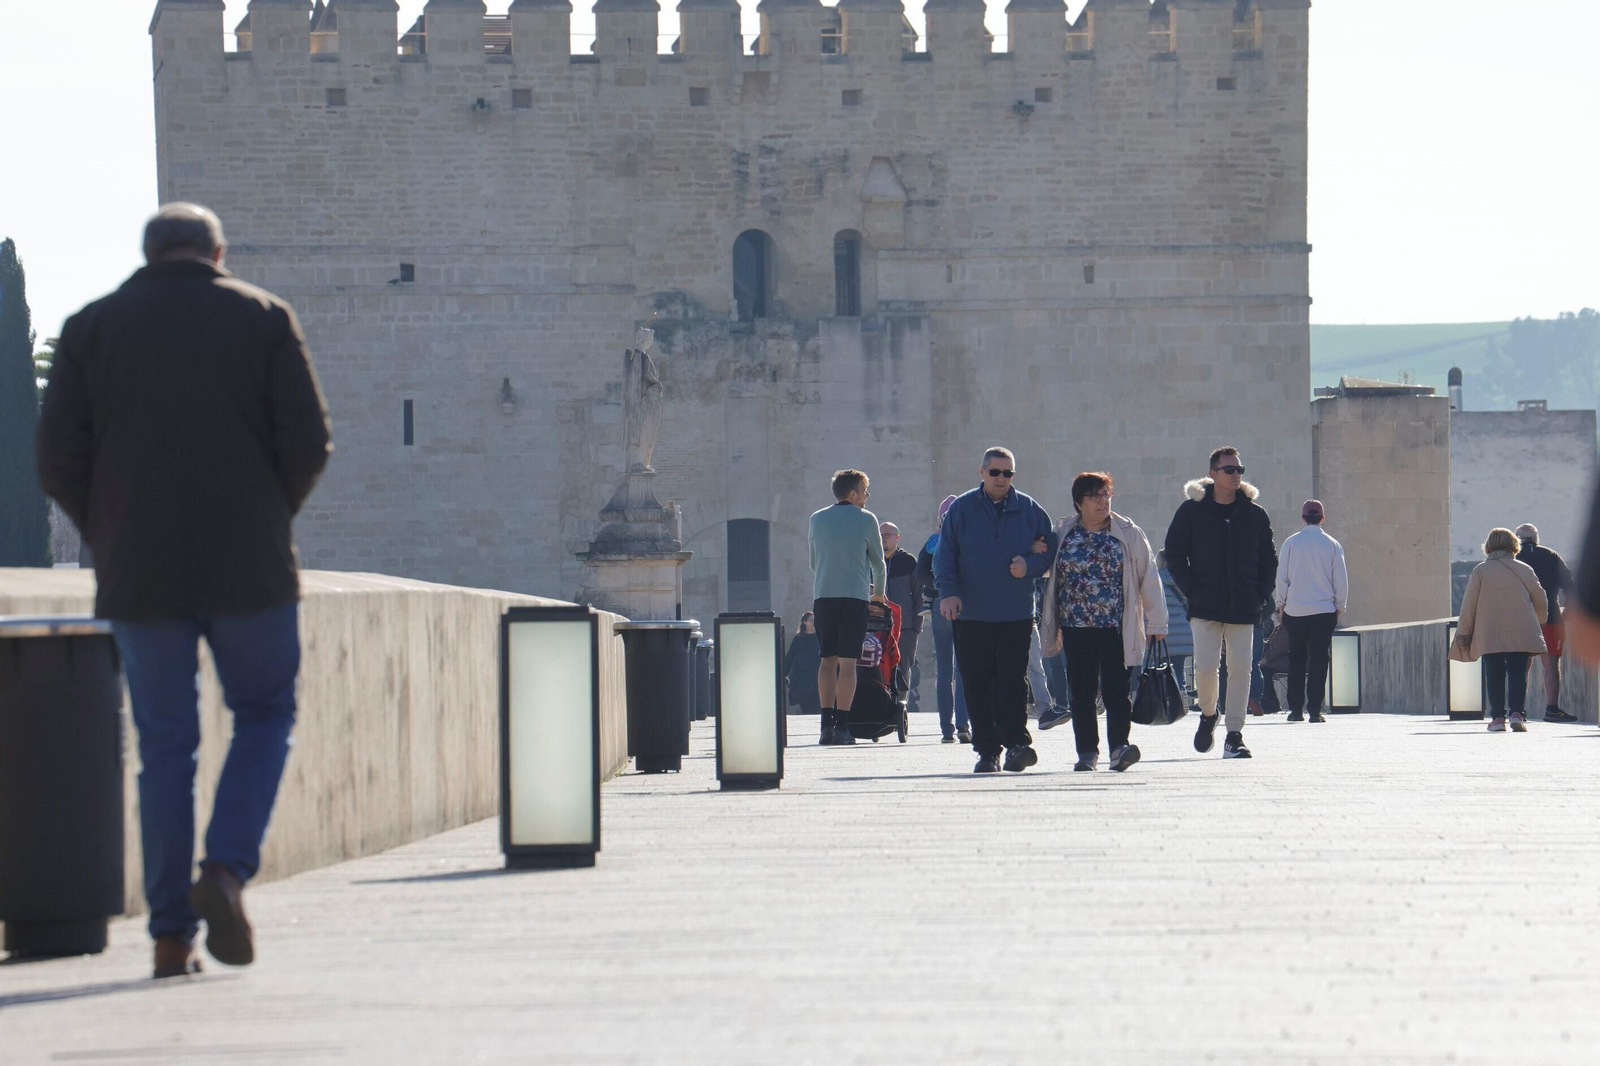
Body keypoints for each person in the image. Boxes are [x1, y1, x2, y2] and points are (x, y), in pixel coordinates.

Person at [35, 203, 333, 980]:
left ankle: (171, 937)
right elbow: (310, 442)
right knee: (266, 714)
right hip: (252, 570)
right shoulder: (264, 317)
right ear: (217, 252)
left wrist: (108, 532)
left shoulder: (90, 327)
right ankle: (226, 870)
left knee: (164, 748)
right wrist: (269, 516)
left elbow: (57, 460)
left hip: (139, 573)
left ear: (148, 253)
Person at [934, 447, 1058, 773]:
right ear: (982, 472)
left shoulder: (1030, 510)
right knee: (976, 683)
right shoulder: (961, 509)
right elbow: (944, 557)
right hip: (971, 614)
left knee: (1012, 683)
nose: (1002, 479)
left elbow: (1050, 551)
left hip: (1015, 613)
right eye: (996, 472)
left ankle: (1017, 743)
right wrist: (948, 594)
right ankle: (987, 751)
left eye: (1008, 473)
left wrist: (1029, 564)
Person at [1040, 473, 1167, 772]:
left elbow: (1148, 576)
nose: (1103, 501)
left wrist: (1157, 623)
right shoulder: (1063, 531)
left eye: (1106, 494)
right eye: (1095, 496)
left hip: (1116, 627)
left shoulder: (1128, 532)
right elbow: (1046, 567)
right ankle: (1087, 753)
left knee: (1116, 691)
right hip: (1075, 626)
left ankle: (1119, 749)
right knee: (1081, 691)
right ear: (1078, 503)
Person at [1164, 447, 1278, 760]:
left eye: (1239, 468)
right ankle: (1208, 714)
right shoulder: (1191, 511)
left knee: (1242, 669)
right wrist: (1191, 589)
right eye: (1229, 469)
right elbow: (1173, 553)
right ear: (1213, 474)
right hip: (1205, 604)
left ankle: (1234, 735)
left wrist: (1261, 593)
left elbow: (1269, 558)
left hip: (1244, 604)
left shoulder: (1255, 514)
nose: (1236, 474)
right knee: (1205, 668)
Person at [809, 469, 888, 746]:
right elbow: (879, 563)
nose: (867, 496)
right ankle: (842, 727)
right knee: (848, 662)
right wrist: (878, 593)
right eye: (865, 490)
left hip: (824, 597)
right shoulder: (867, 519)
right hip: (855, 597)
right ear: (853, 493)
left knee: (826, 660)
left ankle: (824, 726)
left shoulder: (816, 519)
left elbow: (813, 561)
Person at [1456, 528, 1549, 731]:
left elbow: (1469, 604)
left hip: (1490, 629)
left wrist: (1464, 632)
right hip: (1521, 628)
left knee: (1494, 671)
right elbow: (1540, 597)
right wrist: (1539, 621)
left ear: (1489, 546)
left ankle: (1498, 718)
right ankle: (1517, 714)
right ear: (1514, 545)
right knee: (1517, 671)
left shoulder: (1480, 571)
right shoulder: (1525, 569)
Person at [1274, 499, 1349, 724]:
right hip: (1324, 610)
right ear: (1322, 518)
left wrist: (1281, 603)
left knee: (1296, 658)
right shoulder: (1332, 544)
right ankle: (1315, 710)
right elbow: (1341, 579)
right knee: (1319, 659)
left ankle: (1295, 709)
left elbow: (1282, 577)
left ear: (1303, 518)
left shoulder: (1291, 543)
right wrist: (1340, 606)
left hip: (1295, 610)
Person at [919, 495, 971, 744]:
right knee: (963, 669)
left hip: (940, 603)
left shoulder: (933, 541)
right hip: (965, 604)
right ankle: (963, 725)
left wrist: (939, 588)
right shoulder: (969, 538)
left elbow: (921, 573)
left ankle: (946, 730)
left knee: (944, 669)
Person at [1514, 524, 1577, 722]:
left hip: (1522, 619)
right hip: (1551, 618)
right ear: (1536, 538)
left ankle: (1517, 710)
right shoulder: (1551, 555)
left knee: (1521, 665)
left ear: (1517, 539)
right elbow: (1570, 586)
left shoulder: (1513, 559)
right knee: (1550, 665)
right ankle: (1552, 709)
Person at [880, 522, 926, 705]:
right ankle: (881, 704)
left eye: (888, 535)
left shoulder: (908, 562)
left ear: (897, 538)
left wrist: (916, 627)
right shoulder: (871, 560)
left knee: (903, 667)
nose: (884, 538)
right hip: (877, 626)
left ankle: (900, 706)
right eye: (881, 534)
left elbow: (919, 596)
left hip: (905, 627)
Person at [1157, 551, 1194, 699]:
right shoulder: (1184, 578)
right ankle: (1182, 692)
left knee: (1165, 667)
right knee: (1178, 666)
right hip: (1185, 631)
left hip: (1165, 631)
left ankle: (1170, 697)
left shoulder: (1156, 579)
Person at [784, 612, 822, 716]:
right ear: (804, 622)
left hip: (817, 676)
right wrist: (783, 674)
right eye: (811, 620)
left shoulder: (820, 637)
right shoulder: (799, 638)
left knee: (818, 707)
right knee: (806, 707)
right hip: (802, 678)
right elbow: (790, 657)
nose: (814, 623)